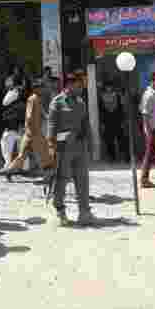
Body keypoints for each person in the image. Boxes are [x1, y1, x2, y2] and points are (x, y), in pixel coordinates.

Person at [48, 71, 95, 227]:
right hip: (64, 149)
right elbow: (51, 129)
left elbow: (86, 124)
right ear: (69, 84)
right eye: (79, 84)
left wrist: (91, 144)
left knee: (82, 180)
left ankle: (85, 212)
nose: (81, 87)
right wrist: (52, 149)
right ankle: (60, 211)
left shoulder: (81, 102)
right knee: (62, 180)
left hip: (80, 147)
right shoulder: (57, 102)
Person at [5, 76, 54, 173]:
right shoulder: (32, 99)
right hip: (33, 132)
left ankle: (9, 170)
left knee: (22, 156)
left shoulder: (38, 99)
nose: (43, 89)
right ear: (36, 89)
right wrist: (29, 129)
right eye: (41, 87)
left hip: (31, 133)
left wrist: (48, 117)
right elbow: (29, 115)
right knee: (44, 152)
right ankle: (49, 173)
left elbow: (42, 113)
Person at [0, 83, 28, 176]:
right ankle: (20, 167)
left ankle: (12, 167)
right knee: (19, 149)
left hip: (16, 129)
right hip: (15, 129)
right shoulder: (20, 104)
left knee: (11, 149)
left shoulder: (20, 105)